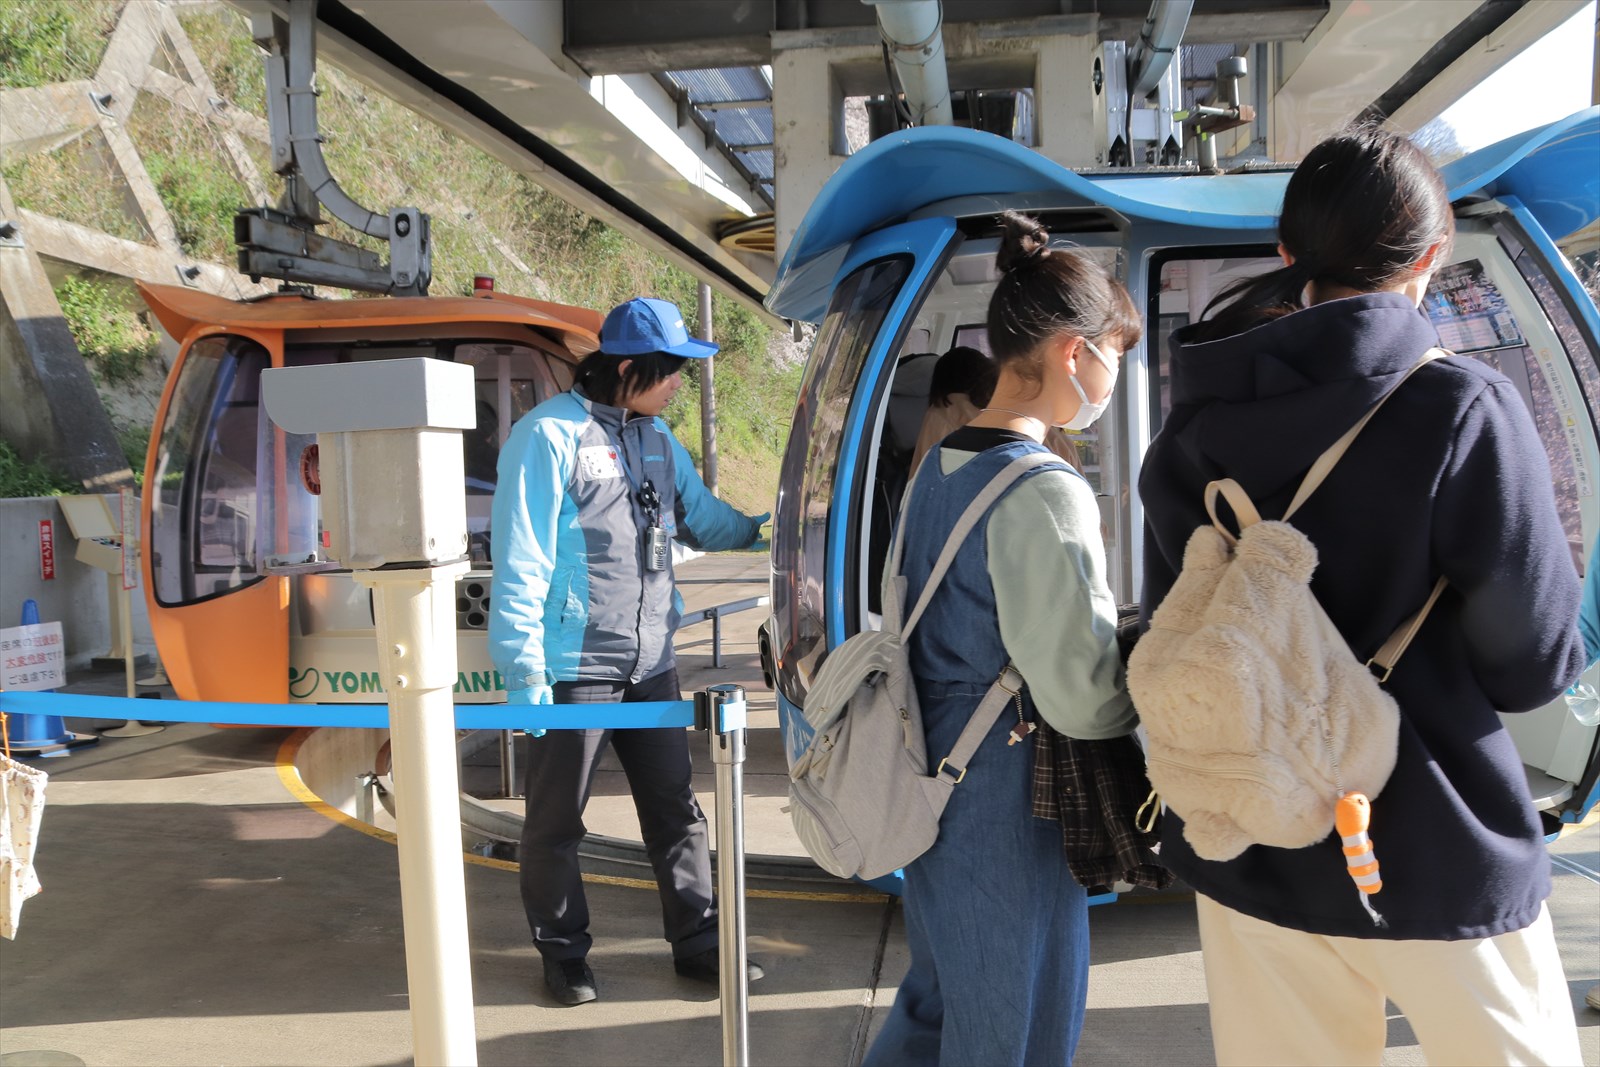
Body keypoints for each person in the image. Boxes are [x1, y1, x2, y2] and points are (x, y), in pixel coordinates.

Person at [1137, 125, 1585, 1065]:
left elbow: (1175, 620)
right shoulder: (1462, 410)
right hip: (1436, 834)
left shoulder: (1192, 426)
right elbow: (1533, 664)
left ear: (1286, 252)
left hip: (1252, 833)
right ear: (1430, 255)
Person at [864, 211, 1142, 1066]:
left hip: (928, 769)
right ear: (1072, 351)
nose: (1114, 377)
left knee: (939, 997)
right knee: (1015, 1024)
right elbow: (1084, 697)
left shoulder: (939, 466)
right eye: (1116, 354)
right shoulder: (1044, 489)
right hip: (1008, 793)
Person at [489, 296, 769, 1007]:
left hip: (651, 662)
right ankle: (564, 955)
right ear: (626, 368)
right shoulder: (546, 436)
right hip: (574, 668)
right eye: (670, 370)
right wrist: (524, 670)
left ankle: (700, 943)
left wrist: (766, 529)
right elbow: (521, 558)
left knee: (676, 809)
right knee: (556, 821)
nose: (677, 384)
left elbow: (702, 517)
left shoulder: (658, 438)